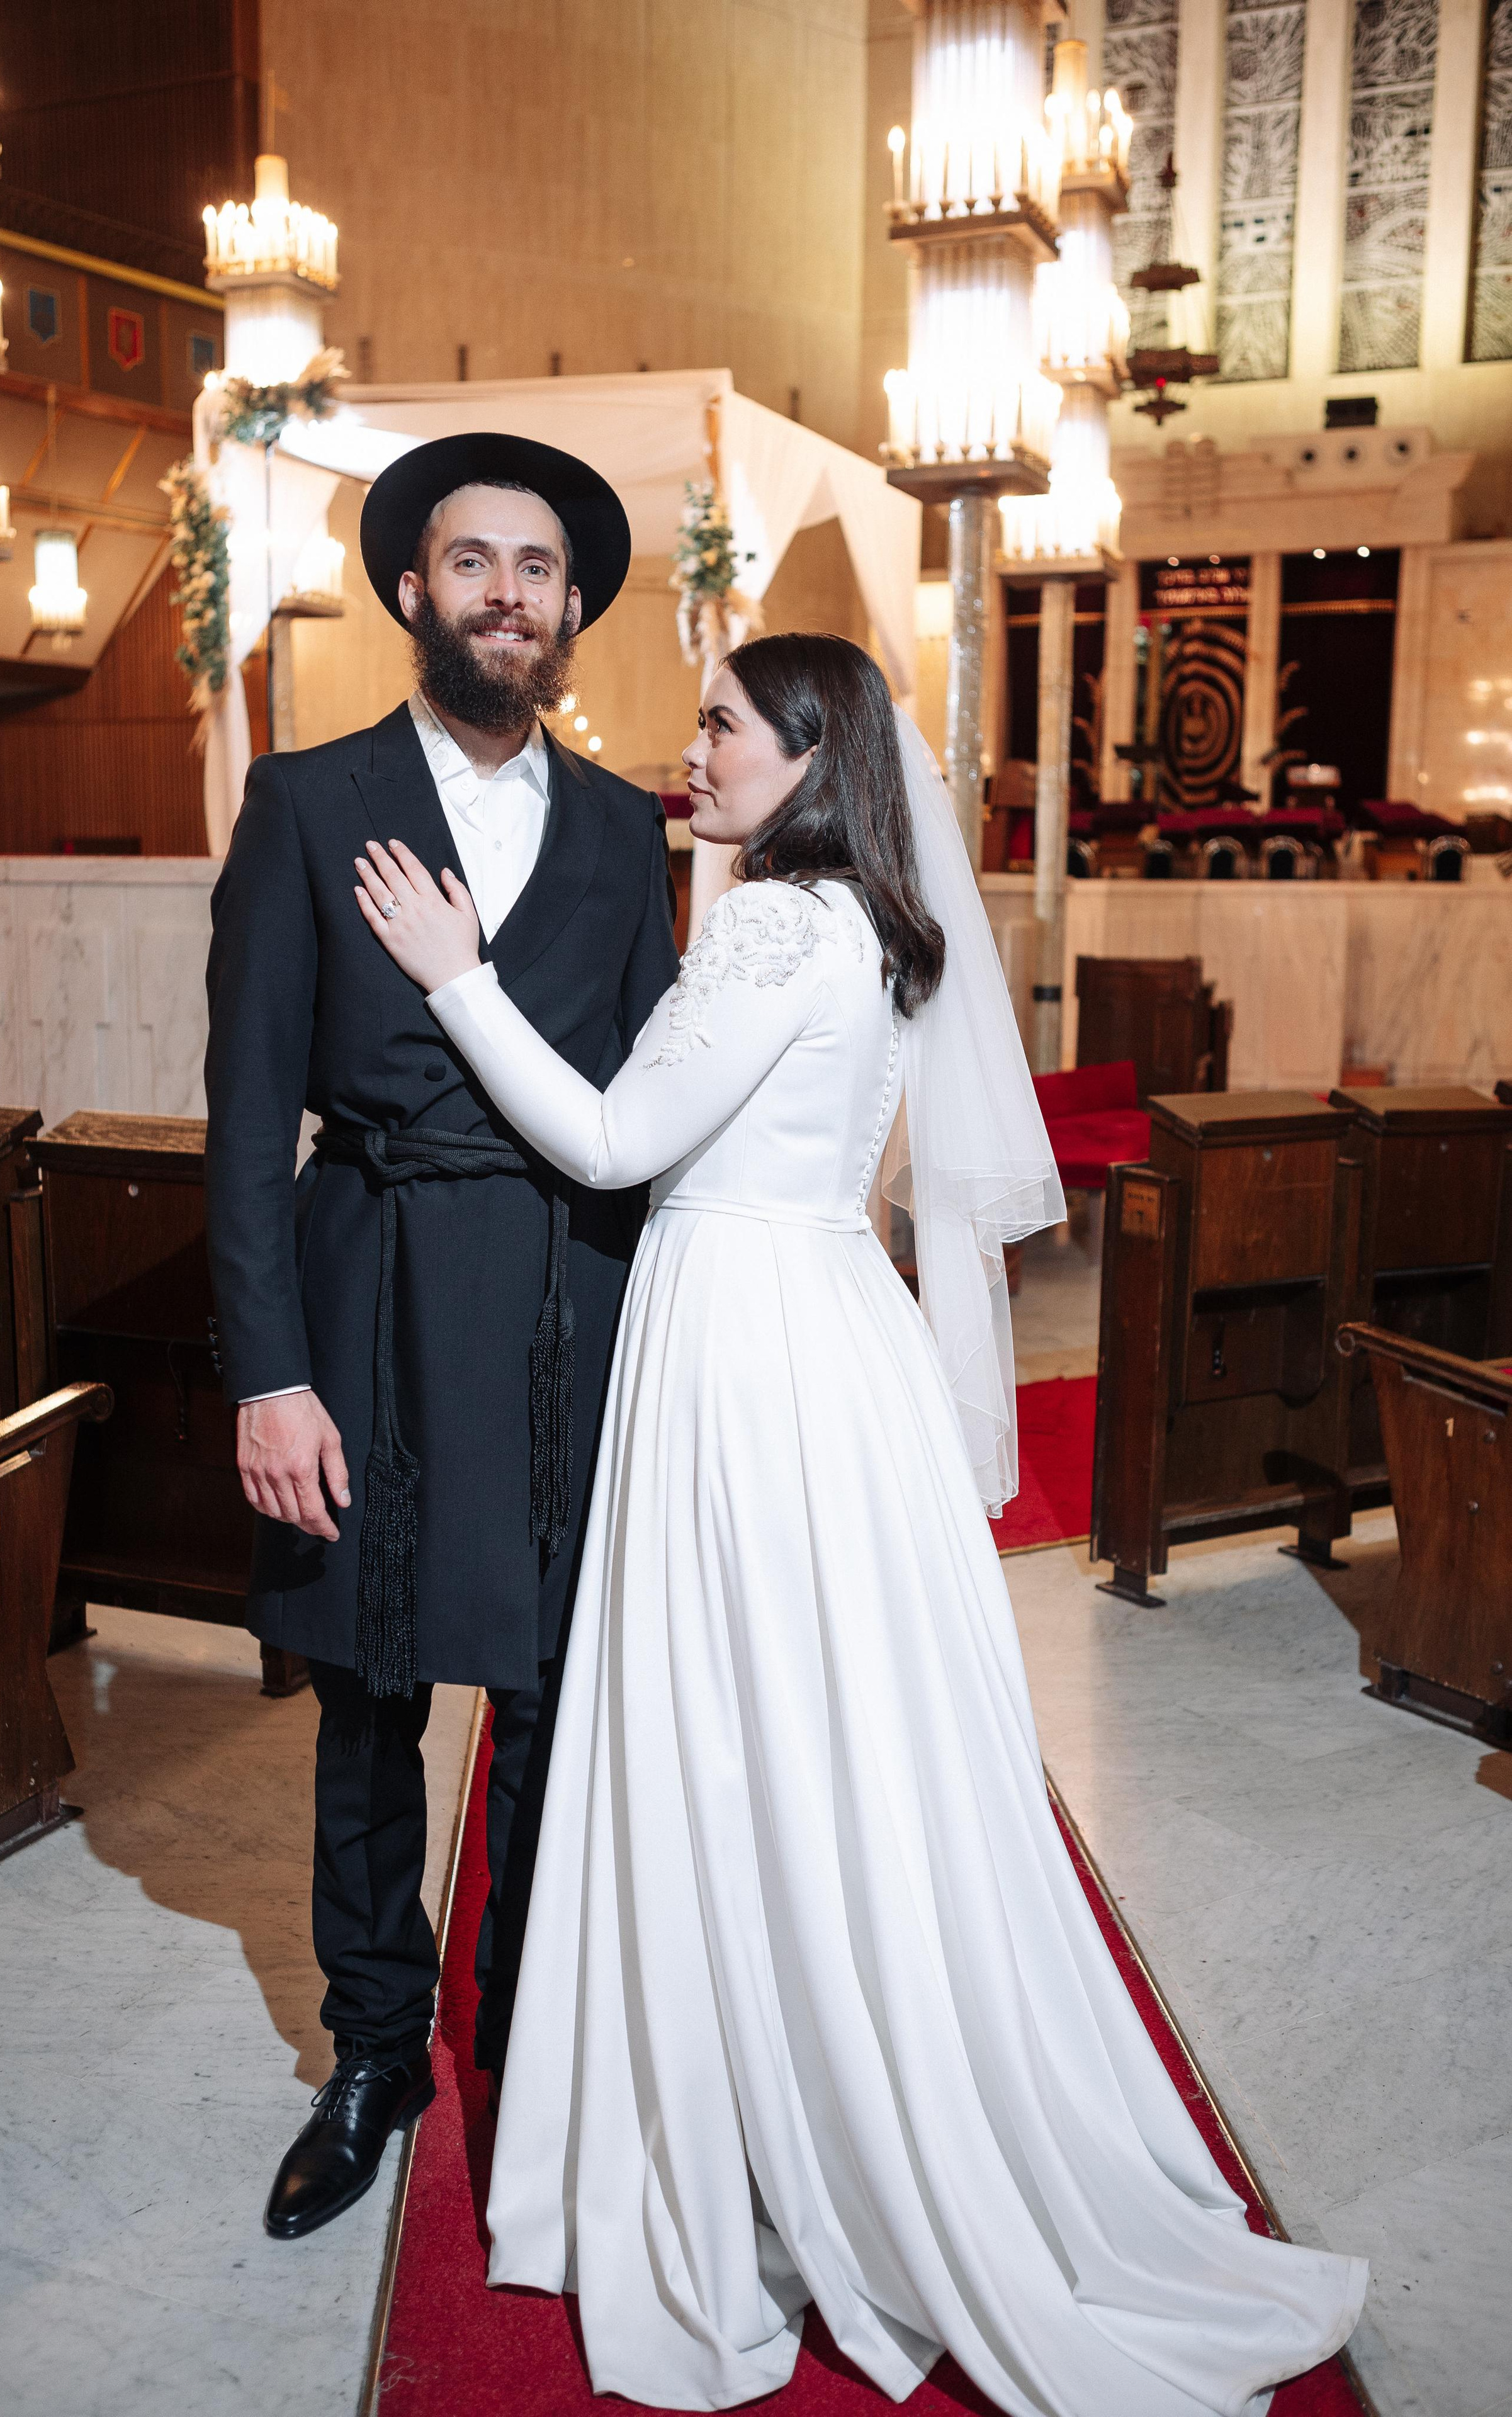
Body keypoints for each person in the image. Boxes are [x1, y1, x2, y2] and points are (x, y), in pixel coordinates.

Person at [353, 632, 1367, 2414]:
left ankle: (756, 2113)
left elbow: (607, 1139)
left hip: (737, 1350)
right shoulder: (881, 931)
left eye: (726, 725)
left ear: (812, 756)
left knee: (733, 1735)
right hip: (828, 1333)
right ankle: (830, 2068)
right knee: (831, 1740)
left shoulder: (768, 918)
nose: (696, 746)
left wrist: (455, 977)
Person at [202, 434, 677, 2242]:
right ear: (414, 590)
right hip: (367, 1284)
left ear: (569, 611)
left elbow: (642, 1105)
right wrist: (268, 1368)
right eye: (471, 561)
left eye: (536, 568)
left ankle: (527, 2048)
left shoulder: (631, 829)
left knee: (556, 1707)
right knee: (368, 1705)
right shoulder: (308, 803)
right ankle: (378, 2049)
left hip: (568, 1304)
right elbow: (249, 1115)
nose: (504, 592)